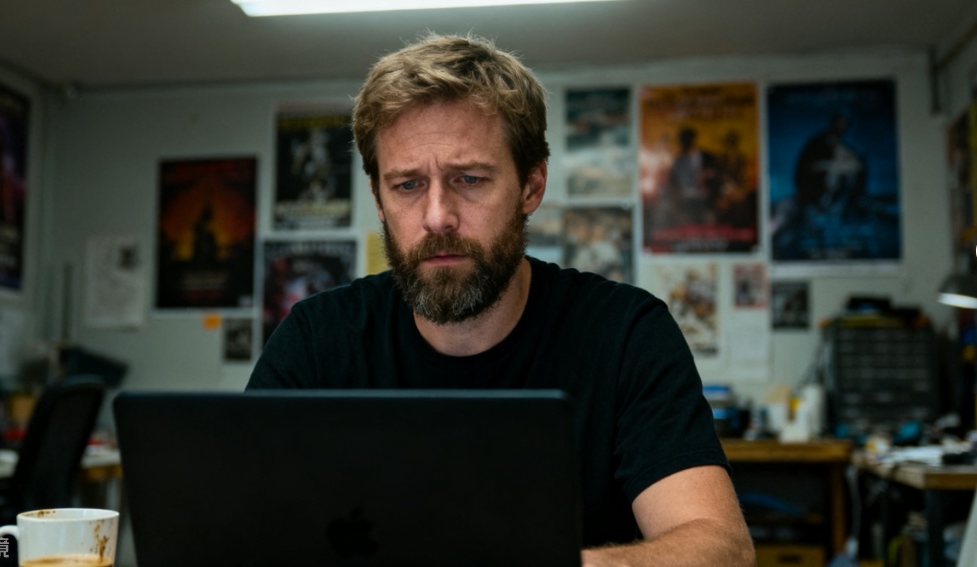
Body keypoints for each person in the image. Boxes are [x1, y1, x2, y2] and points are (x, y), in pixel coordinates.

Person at [249, 33, 754, 567]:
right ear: (377, 197)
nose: (437, 217)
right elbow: (233, 527)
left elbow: (720, 547)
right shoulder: (316, 341)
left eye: (469, 179)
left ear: (531, 186)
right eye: (407, 185)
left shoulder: (625, 333)